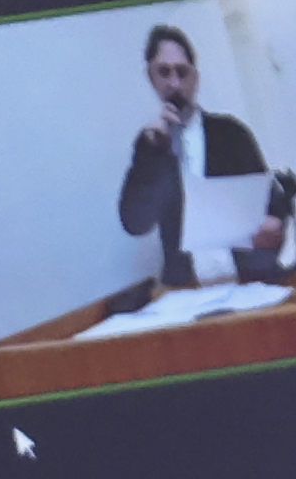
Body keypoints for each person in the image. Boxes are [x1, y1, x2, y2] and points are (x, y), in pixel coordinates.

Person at [114, 21, 284, 293]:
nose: (174, 83)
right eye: (164, 72)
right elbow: (136, 223)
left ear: (196, 77)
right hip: (186, 286)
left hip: (248, 278)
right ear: (151, 77)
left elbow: (271, 203)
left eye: (182, 72)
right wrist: (152, 154)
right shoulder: (150, 144)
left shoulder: (231, 133)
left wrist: (273, 225)